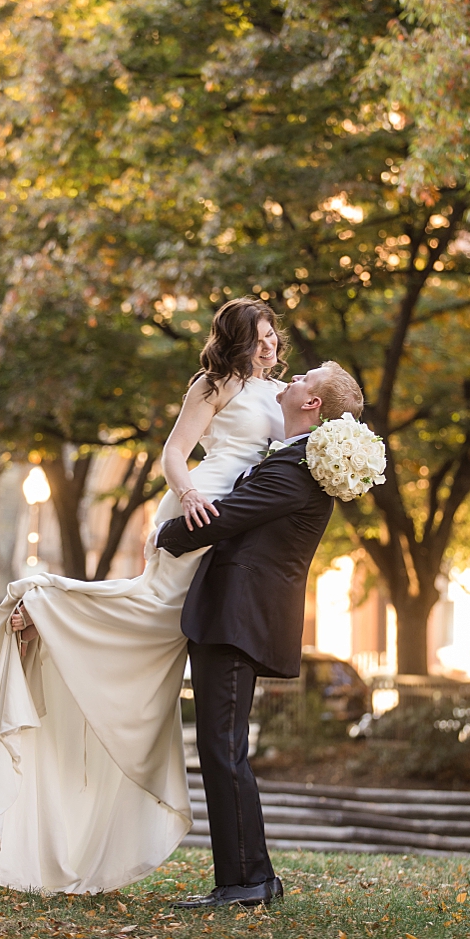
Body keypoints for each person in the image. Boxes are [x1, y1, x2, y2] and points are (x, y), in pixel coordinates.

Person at [0, 294, 356, 896]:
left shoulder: (286, 408)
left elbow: (299, 451)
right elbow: (176, 453)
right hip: (206, 505)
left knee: (161, 624)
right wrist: (187, 502)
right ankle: (47, 605)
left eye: (273, 335)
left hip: (233, 522)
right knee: (154, 606)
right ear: (234, 340)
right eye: (257, 337)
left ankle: (55, 614)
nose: (270, 345)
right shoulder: (214, 384)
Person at [154, 365, 355, 908]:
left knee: (223, 748)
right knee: (222, 748)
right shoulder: (291, 456)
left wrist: (165, 533)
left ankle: (249, 881)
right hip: (234, 614)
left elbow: (227, 517)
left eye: (304, 378)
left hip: (238, 617)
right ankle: (246, 878)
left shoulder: (297, 468)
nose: (290, 376)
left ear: (311, 404)